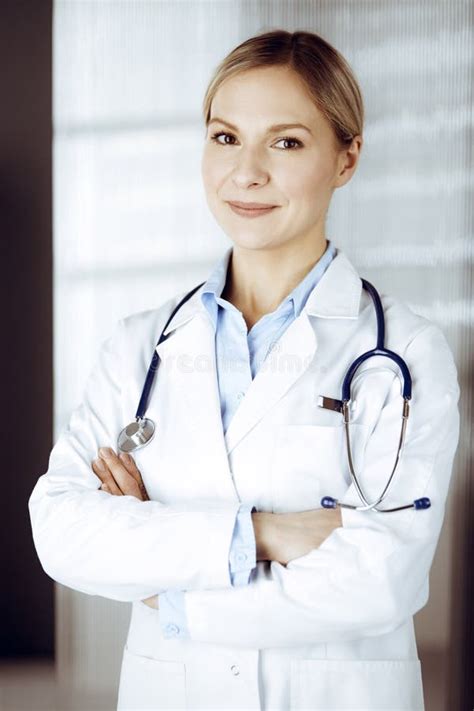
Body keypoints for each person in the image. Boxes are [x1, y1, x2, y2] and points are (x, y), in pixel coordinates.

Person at [28, 29, 460, 711]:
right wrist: (265, 533)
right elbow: (62, 529)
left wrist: (172, 589)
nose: (246, 172)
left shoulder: (404, 353)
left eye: (285, 142)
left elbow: (383, 576)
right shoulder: (139, 347)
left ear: (347, 158)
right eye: (225, 137)